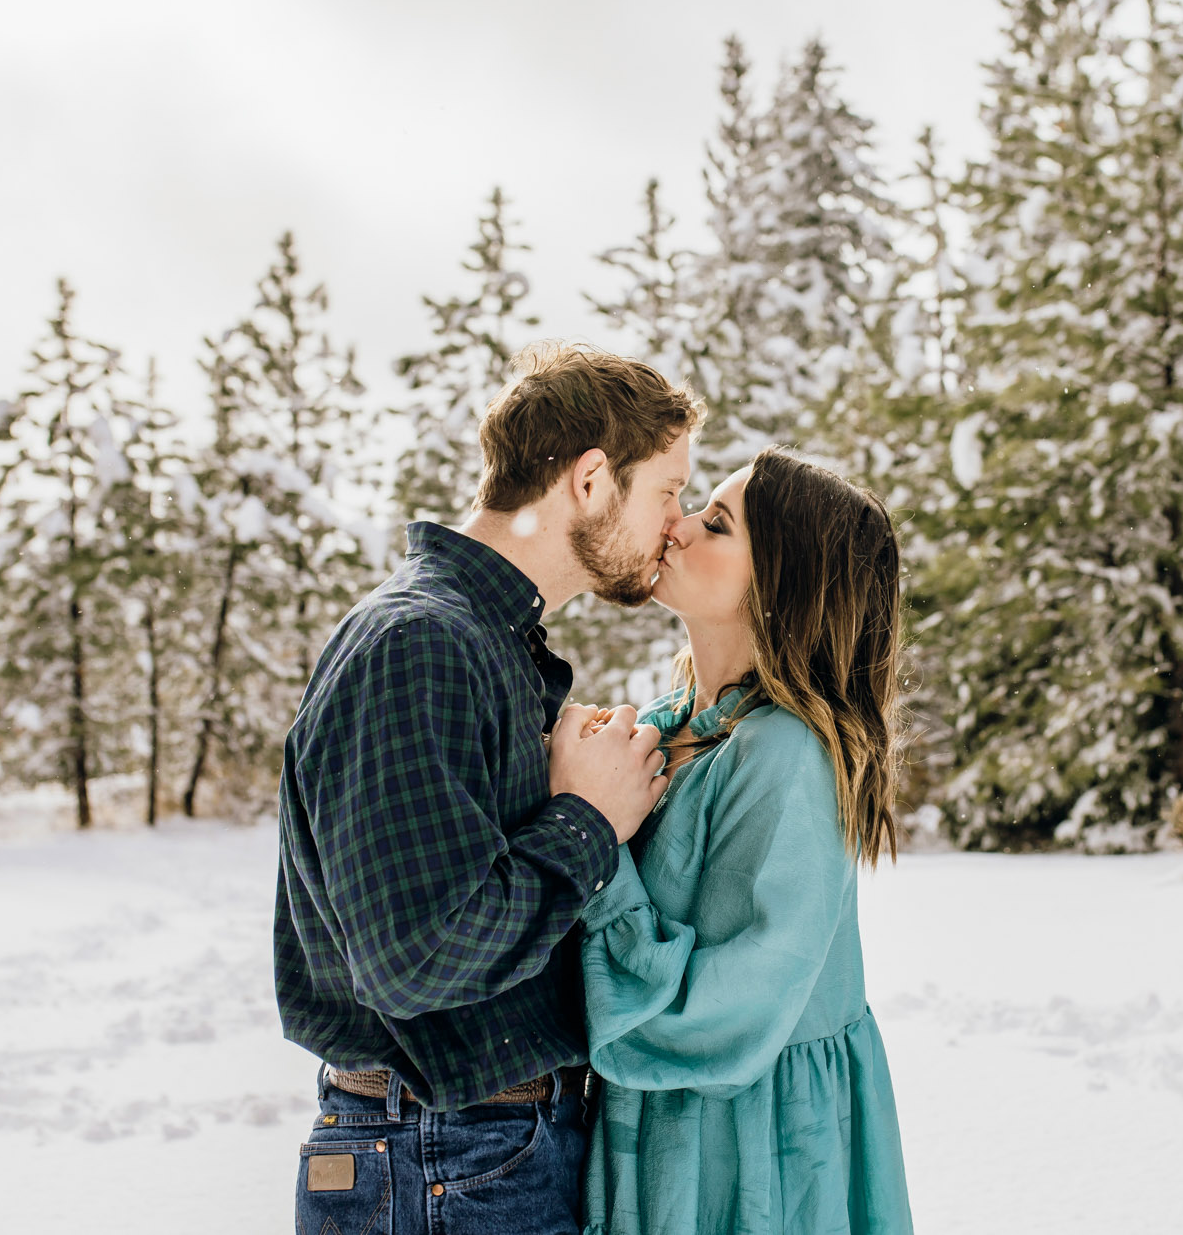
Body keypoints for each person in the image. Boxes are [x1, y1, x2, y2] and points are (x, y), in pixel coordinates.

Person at [275, 341, 699, 1235]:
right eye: (667, 491)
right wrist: (588, 821)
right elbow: (416, 956)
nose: (677, 522)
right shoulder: (418, 644)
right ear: (590, 480)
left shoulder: (486, 646)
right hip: (442, 1155)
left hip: (468, 1151)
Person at [574, 447, 915, 1235]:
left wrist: (596, 855)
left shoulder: (788, 756)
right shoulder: (670, 726)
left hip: (751, 1154)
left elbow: (730, 1013)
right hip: (665, 1130)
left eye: (716, 524)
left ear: (780, 587)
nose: (679, 527)